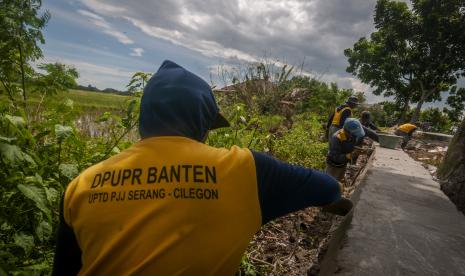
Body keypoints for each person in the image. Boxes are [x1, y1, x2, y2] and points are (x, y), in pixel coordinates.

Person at [52, 60, 352, 275]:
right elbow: (328, 188)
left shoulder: (81, 185)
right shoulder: (245, 169)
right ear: (202, 125)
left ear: (144, 118)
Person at [326, 118, 377, 183]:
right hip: (333, 165)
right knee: (331, 182)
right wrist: (350, 155)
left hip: (343, 164)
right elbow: (335, 157)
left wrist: (359, 150)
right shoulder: (337, 138)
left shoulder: (351, 136)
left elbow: (349, 146)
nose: (355, 136)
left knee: (339, 181)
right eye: (354, 134)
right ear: (347, 131)